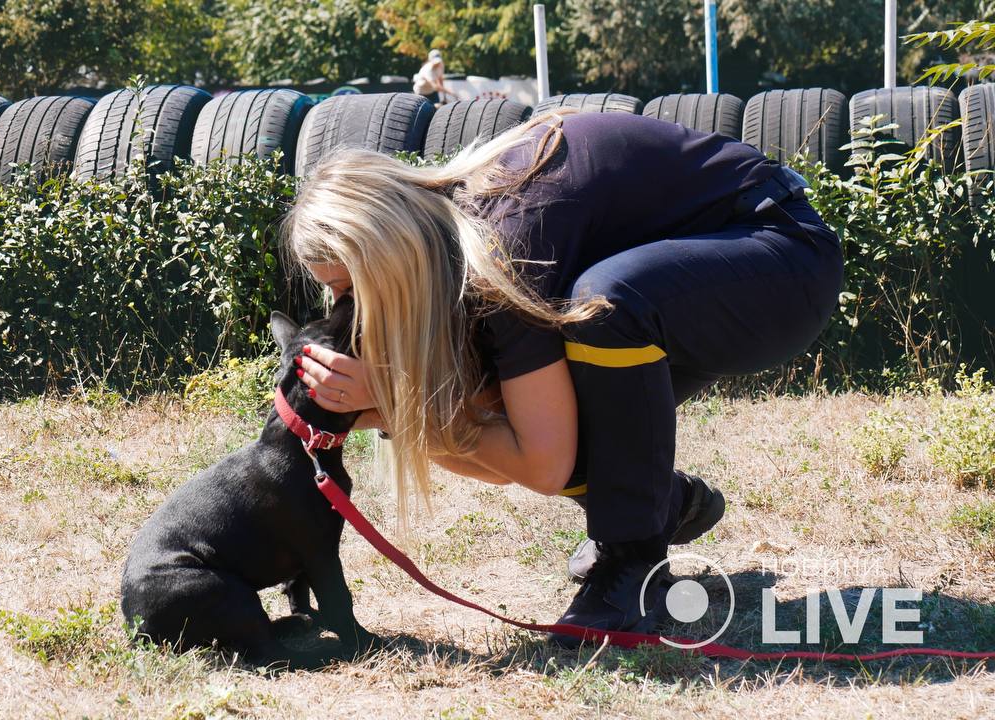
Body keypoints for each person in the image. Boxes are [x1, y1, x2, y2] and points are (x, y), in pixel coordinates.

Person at [281, 108, 844, 634]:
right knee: (528, 396)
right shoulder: (460, 252)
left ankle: (632, 562)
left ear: (389, 257)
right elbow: (498, 448)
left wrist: (400, 404)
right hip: (703, 284)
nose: (346, 316)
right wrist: (385, 410)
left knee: (605, 304)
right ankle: (658, 504)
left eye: (350, 292)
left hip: (785, 258)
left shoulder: (503, 246)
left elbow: (543, 464)